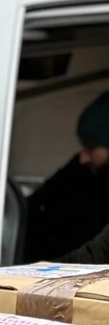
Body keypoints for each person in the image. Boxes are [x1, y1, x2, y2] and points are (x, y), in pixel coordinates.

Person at [22, 91, 109, 263]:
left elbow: (96, 253)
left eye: (90, 147)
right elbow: (38, 202)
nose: (83, 157)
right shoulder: (80, 169)